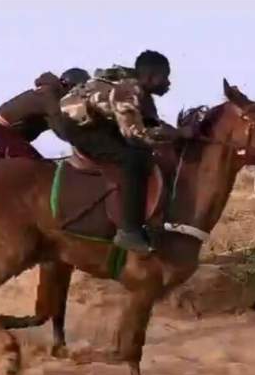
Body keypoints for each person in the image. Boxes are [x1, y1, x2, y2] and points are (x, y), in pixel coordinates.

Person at [52, 49, 186, 254]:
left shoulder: (142, 94)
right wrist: (178, 134)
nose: (168, 83)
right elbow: (137, 134)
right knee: (133, 159)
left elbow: (151, 124)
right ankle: (129, 230)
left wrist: (174, 134)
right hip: (79, 126)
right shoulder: (127, 91)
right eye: (164, 78)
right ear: (150, 77)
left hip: (100, 120)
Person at [0, 68, 91, 160]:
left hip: (9, 132)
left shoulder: (51, 94)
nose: (77, 95)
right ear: (68, 85)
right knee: (36, 164)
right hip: (1, 131)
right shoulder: (49, 97)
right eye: (76, 91)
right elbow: (62, 129)